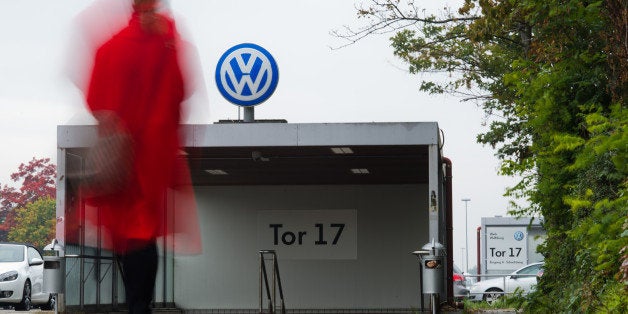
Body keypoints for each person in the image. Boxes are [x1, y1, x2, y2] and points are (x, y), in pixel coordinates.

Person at [81, 0, 200, 312]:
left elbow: (94, 98)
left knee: (130, 235)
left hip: (122, 157)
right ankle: (139, 305)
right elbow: (182, 89)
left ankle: (137, 304)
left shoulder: (113, 45)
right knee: (143, 233)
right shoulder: (167, 43)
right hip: (150, 157)